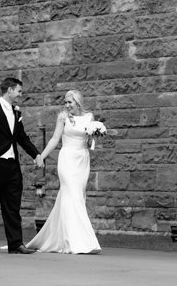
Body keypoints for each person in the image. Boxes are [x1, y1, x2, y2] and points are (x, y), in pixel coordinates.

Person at [27, 90, 101, 254]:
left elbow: (89, 143)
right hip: (67, 159)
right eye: (66, 102)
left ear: (78, 102)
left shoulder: (89, 117)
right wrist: (41, 157)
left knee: (78, 197)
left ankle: (70, 238)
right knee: (72, 195)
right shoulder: (62, 117)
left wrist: (94, 135)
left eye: (70, 102)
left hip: (82, 160)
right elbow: (54, 139)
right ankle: (76, 241)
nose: (67, 105)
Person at [0, 78, 42, 254]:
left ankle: (15, 244)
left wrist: (36, 155)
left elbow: (22, 137)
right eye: (19, 91)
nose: (21, 94)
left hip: (12, 166)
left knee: (13, 206)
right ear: (10, 90)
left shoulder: (15, 111)